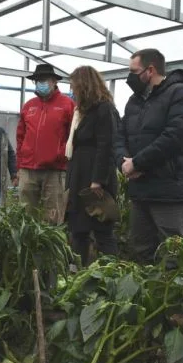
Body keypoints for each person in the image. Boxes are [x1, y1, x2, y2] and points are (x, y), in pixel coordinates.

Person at [113, 48, 183, 264]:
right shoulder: (135, 101)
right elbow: (120, 135)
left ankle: (178, 298)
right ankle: (144, 297)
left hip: (170, 190)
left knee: (174, 255)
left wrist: (138, 163)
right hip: (141, 189)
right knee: (141, 251)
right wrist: (123, 163)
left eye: (134, 71)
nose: (129, 77)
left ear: (150, 70)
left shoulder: (182, 94)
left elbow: (175, 136)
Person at [65, 66, 119, 266]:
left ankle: (110, 273)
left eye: (74, 86)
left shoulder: (104, 109)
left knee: (102, 229)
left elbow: (106, 146)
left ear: (84, 85)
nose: (72, 91)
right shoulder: (82, 112)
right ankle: (80, 272)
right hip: (79, 175)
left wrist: (98, 180)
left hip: (94, 179)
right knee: (79, 229)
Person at [16, 64, 75, 224]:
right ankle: (29, 247)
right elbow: (20, 136)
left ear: (54, 81)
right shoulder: (29, 106)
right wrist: (20, 164)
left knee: (53, 216)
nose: (40, 83)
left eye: (44, 80)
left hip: (55, 169)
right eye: (37, 80)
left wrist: (61, 154)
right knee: (26, 215)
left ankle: (49, 248)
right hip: (28, 168)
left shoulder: (67, 104)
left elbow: (73, 135)